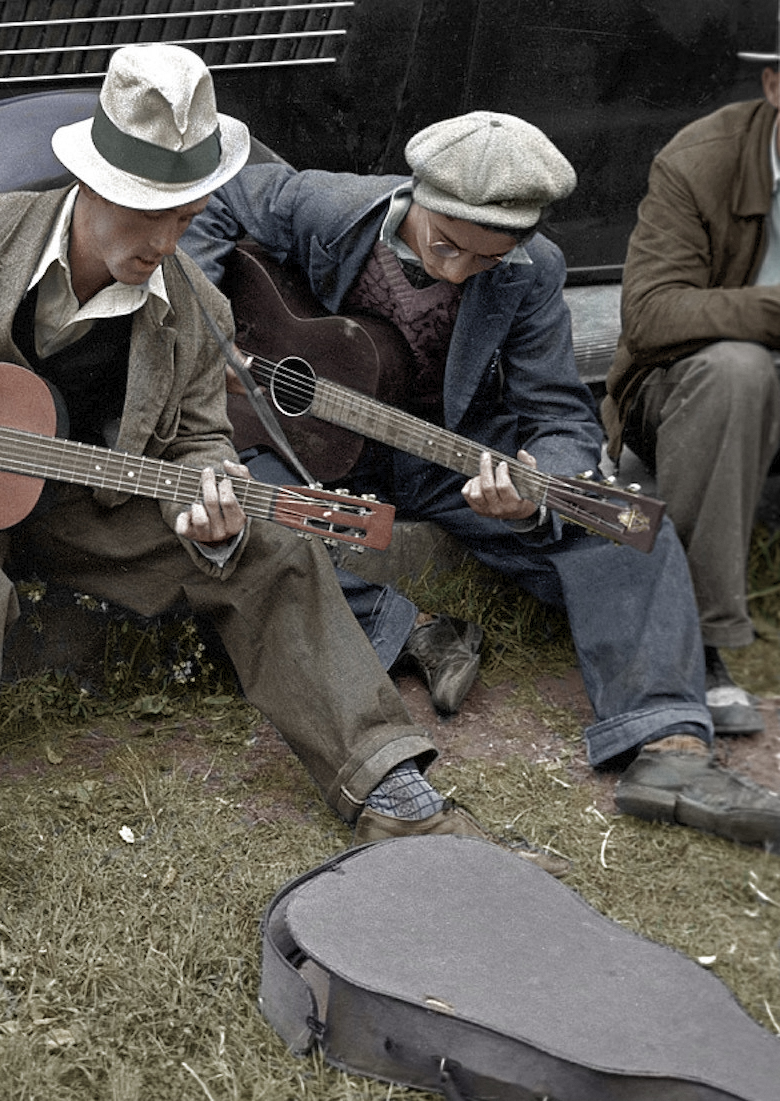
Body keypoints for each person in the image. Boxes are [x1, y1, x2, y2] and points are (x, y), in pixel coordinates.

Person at [0, 45, 565, 1020]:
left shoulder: (195, 310)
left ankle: (388, 785)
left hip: (88, 511)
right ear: (88, 181)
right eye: (142, 209)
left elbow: (196, 444)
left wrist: (207, 495)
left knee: (274, 544)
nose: (163, 236)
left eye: (183, 214)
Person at [182, 110, 780, 851]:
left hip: (443, 450)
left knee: (625, 525)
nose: (458, 271)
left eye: (486, 260)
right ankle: (411, 630)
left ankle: (669, 748)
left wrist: (538, 487)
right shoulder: (327, 205)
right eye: (447, 245)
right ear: (415, 196)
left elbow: (559, 412)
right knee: (250, 513)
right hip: (305, 437)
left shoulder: (538, 271)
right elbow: (212, 199)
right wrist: (208, 338)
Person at [602, 26, 780, 739]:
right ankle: (700, 641)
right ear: (775, 85)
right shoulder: (700, 159)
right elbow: (648, 315)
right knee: (740, 369)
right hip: (683, 388)